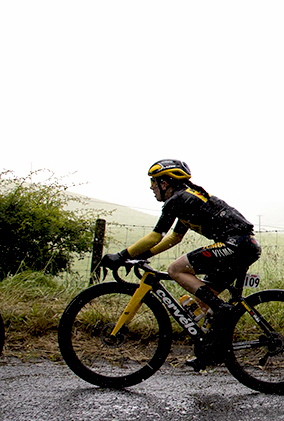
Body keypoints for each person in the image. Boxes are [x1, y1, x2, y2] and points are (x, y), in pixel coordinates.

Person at [100, 159, 261, 370]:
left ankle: (223, 310)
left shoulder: (179, 199)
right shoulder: (187, 199)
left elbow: (156, 235)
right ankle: (211, 352)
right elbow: (174, 237)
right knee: (202, 304)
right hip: (242, 245)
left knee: (176, 269)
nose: (151, 187)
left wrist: (122, 255)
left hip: (236, 244)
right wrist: (144, 255)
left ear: (165, 183)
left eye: (153, 182)